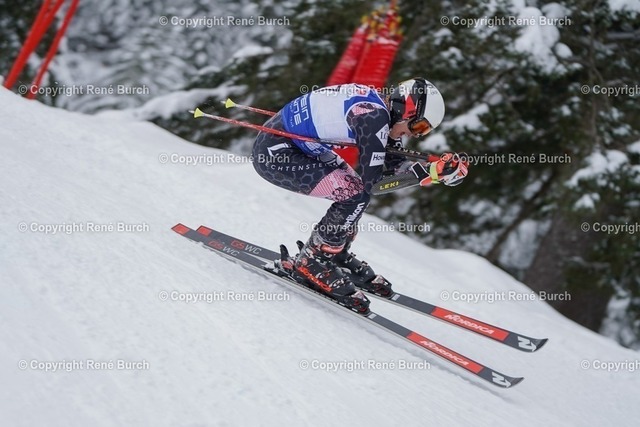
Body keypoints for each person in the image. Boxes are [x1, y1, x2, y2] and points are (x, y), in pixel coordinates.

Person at [251, 78, 468, 311]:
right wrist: (427, 175)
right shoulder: (373, 117)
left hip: (293, 144)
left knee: (353, 189)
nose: (416, 135)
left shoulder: (379, 110)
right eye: (418, 127)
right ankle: (312, 261)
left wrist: (436, 172)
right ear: (407, 109)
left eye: (423, 131)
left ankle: (334, 253)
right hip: (276, 154)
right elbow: (373, 184)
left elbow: (394, 164)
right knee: (355, 194)